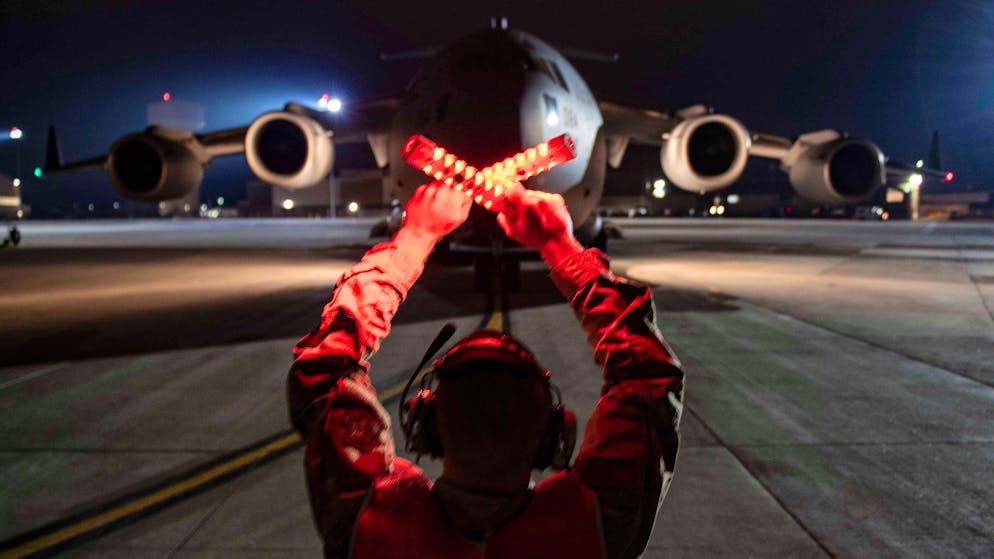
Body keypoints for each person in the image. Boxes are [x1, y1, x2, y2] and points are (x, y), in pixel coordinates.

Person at [287, 180, 685, 558]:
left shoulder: (367, 520)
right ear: (554, 436)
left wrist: (415, 238)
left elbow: (323, 368)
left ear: (424, 425)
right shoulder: (595, 527)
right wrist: (559, 244)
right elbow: (645, 379)